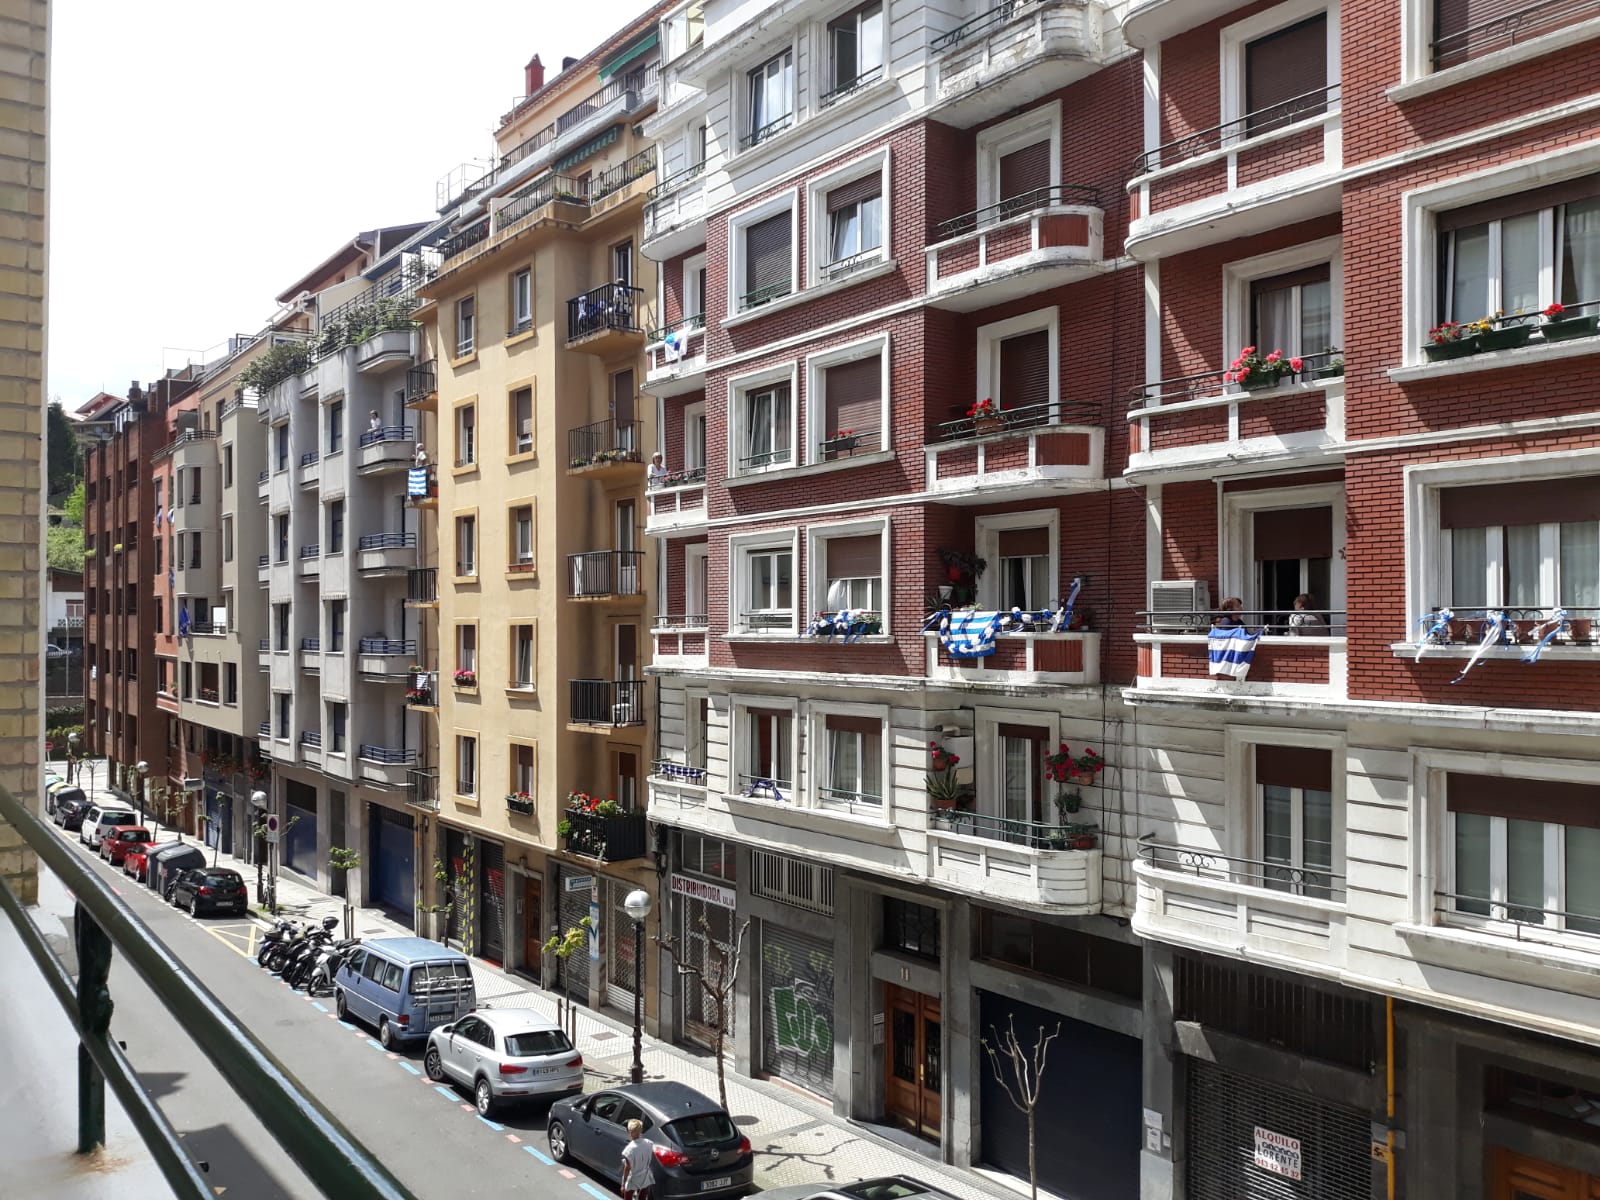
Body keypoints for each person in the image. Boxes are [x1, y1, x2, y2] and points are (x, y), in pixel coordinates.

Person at [620, 1119, 656, 1200]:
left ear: (630, 1132)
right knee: (642, 1197)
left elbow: (627, 1168)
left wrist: (623, 1183)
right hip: (645, 1176)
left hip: (634, 1179)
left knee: (628, 1197)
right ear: (641, 1130)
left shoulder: (629, 1150)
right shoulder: (649, 1143)